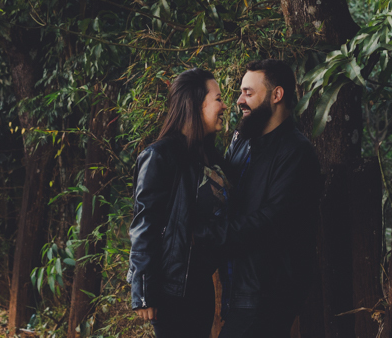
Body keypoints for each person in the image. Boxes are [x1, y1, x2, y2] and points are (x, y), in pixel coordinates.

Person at [217, 58, 321, 338]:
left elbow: (272, 221)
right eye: (241, 92)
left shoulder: (297, 153)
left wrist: (211, 234)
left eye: (248, 93)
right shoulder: (241, 141)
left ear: (277, 95)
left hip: (268, 295)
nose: (239, 100)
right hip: (236, 289)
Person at [129, 67, 230, 338]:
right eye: (218, 98)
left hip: (201, 287)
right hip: (171, 292)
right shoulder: (160, 156)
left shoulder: (211, 157)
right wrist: (143, 293)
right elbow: (145, 224)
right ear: (198, 105)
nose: (225, 105)